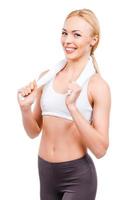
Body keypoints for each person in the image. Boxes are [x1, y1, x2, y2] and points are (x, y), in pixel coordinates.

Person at [17, 8, 111, 200]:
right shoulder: (47, 77)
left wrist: (73, 108)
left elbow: (101, 149)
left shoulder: (97, 86)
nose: (67, 40)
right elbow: (33, 132)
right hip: (45, 172)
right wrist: (25, 109)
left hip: (77, 177)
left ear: (93, 40)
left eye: (76, 35)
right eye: (64, 33)